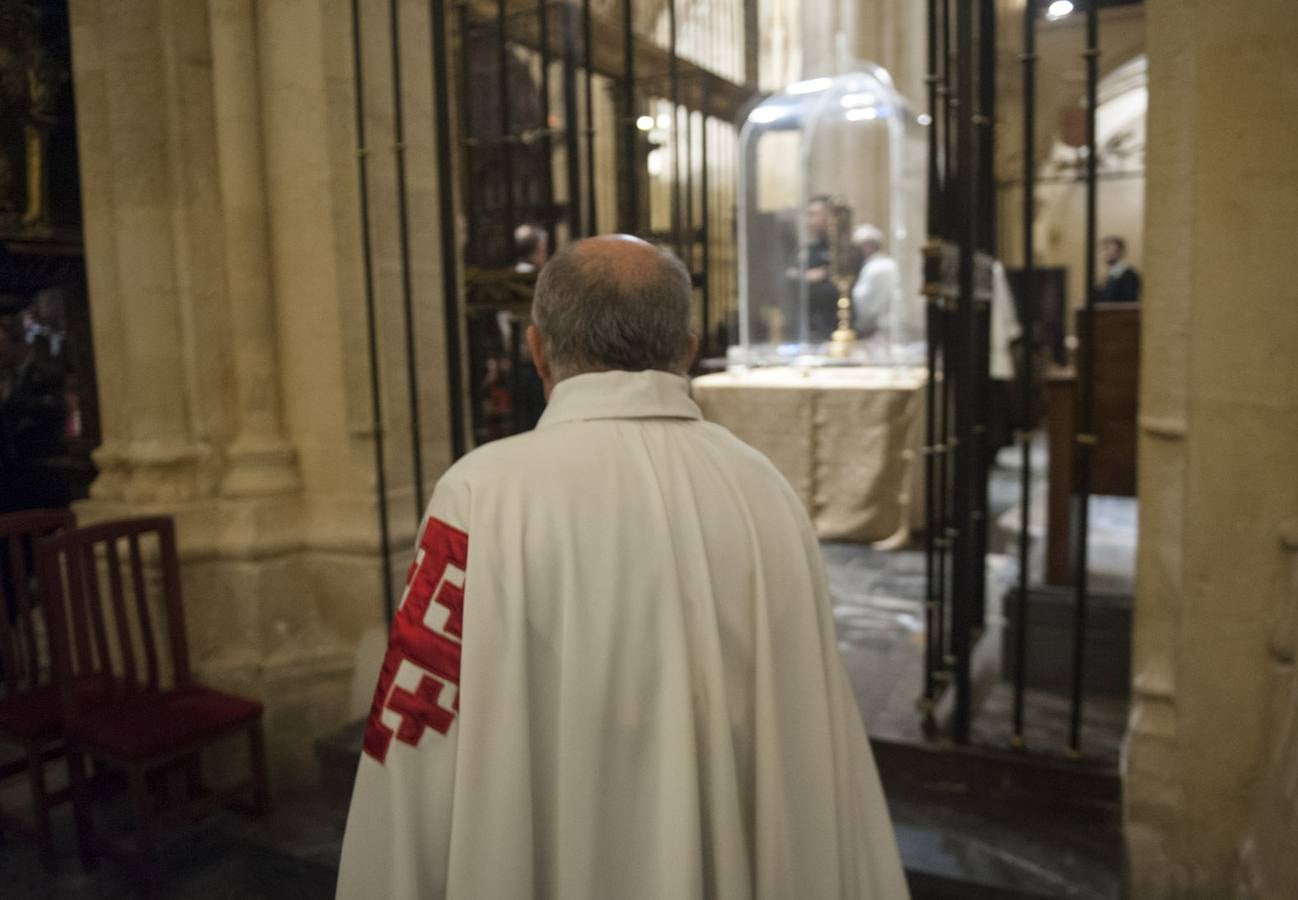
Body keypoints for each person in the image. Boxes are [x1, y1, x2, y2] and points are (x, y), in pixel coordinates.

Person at [337, 235, 909, 900]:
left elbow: (416, 732)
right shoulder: (767, 492)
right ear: (689, 349)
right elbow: (813, 732)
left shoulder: (482, 496)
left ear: (537, 350)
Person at [786, 195, 842, 342]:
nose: (808, 221)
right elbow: (790, 275)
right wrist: (810, 275)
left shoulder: (843, 249)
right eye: (807, 215)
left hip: (836, 324)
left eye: (813, 215)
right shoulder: (808, 250)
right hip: (810, 328)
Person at [850, 224, 902, 339]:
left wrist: (861, 325)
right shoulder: (881, 265)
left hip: (879, 330)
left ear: (870, 245)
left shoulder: (877, 268)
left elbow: (866, 304)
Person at [1099, 235, 1141, 303]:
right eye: (1103, 249)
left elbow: (1129, 301)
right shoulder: (1108, 276)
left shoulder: (1129, 275)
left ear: (1120, 251)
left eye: (1107, 248)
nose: (1105, 253)